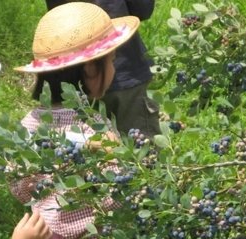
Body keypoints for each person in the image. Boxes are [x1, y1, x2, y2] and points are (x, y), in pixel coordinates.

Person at [12, 3, 141, 239]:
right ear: (90, 71)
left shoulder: (30, 125)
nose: (113, 68)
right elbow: (117, 194)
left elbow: (18, 185)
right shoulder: (98, 130)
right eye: (110, 61)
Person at [45, 0, 161, 139]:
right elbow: (141, 9)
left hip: (71, 70)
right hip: (125, 70)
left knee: (84, 150)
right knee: (142, 152)